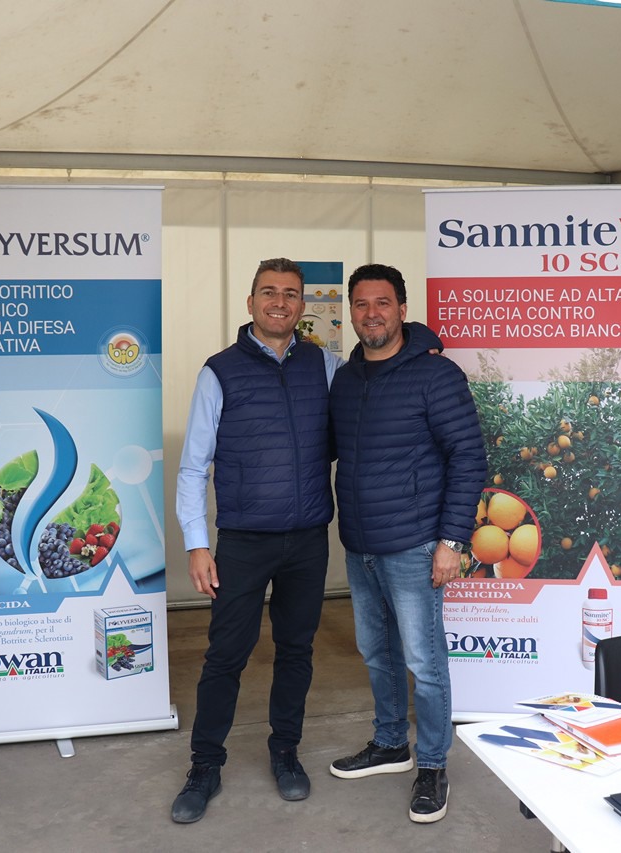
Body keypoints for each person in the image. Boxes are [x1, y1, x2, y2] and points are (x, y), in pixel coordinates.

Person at [171, 258, 342, 824]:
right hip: (243, 541)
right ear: (250, 303)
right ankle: (205, 764)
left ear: (302, 306)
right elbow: (194, 466)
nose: (279, 302)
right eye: (269, 292)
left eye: (290, 294)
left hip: (307, 539)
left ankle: (285, 752)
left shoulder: (326, 365)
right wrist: (197, 543)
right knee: (226, 655)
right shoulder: (219, 371)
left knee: (296, 651)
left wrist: (421, 343)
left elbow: (383, 368)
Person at [327, 263, 486, 824]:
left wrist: (451, 540)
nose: (371, 314)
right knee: (377, 653)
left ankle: (433, 764)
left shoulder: (436, 375)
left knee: (424, 659)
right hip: (361, 544)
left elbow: (468, 457)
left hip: (416, 544)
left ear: (402, 309)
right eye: (361, 304)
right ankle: (391, 743)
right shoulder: (347, 379)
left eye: (382, 303)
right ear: (351, 312)